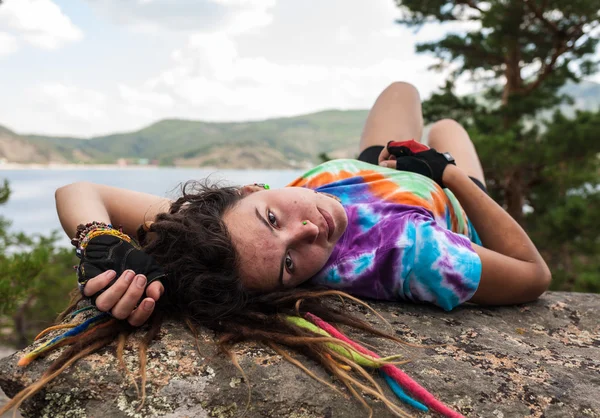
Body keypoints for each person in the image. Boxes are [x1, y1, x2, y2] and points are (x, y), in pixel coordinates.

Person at [2, 82, 551, 417]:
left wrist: (101, 240)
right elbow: (533, 275)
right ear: (297, 287)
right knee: (450, 128)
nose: (309, 232)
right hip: (426, 194)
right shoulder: (413, 254)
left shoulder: (225, 233)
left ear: (248, 190)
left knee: (400, 91)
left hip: (363, 174)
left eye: (272, 218)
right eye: (290, 264)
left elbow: (78, 191)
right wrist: (449, 176)